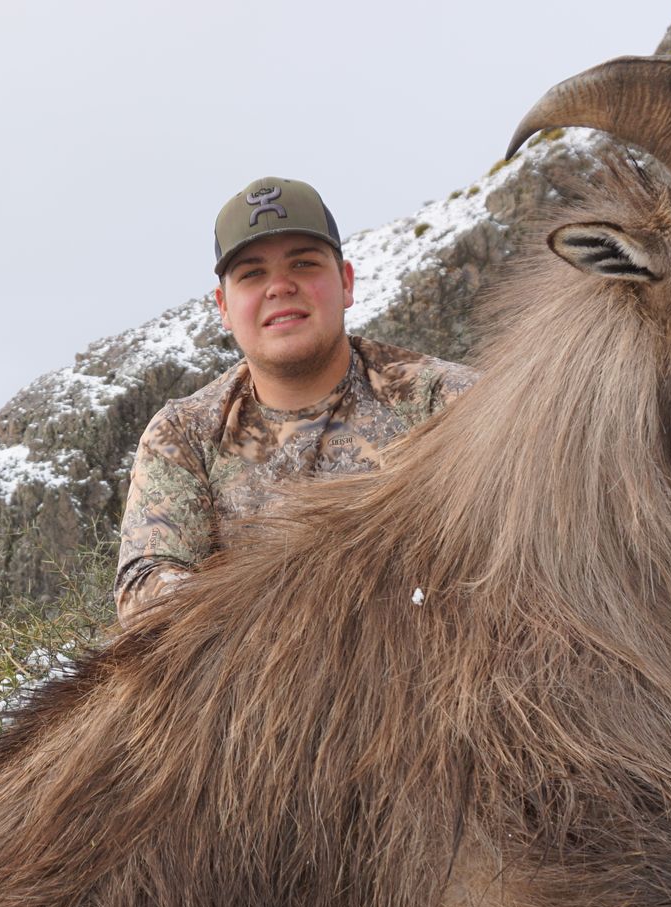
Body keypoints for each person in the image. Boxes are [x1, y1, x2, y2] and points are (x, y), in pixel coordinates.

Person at [114, 176, 480, 623]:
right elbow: (146, 595)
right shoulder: (184, 434)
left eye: (304, 264)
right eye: (252, 274)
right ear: (224, 307)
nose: (280, 286)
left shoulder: (447, 401)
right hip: (258, 681)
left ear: (346, 283)